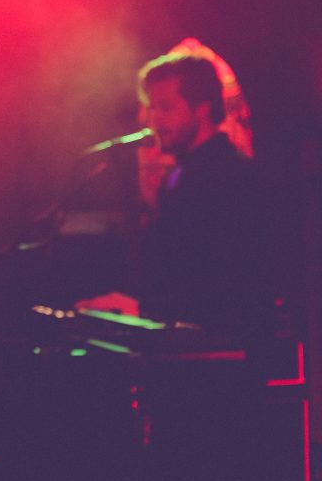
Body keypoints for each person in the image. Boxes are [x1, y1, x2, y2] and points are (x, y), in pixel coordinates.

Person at [77, 52, 270, 342]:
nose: (154, 120)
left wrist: (145, 309)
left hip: (222, 350)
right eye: (152, 108)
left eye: (165, 108)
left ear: (201, 108)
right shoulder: (180, 174)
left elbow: (224, 285)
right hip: (186, 341)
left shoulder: (230, 176)